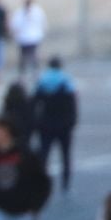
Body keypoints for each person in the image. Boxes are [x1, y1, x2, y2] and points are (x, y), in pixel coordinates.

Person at [31, 58, 78, 191]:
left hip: (46, 124)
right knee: (66, 155)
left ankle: (40, 181)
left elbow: (34, 103)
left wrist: (35, 123)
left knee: (44, 154)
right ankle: (65, 182)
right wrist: (72, 121)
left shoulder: (42, 81)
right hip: (64, 124)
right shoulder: (66, 81)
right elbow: (72, 105)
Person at [12, 0, 48, 76]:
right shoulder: (20, 12)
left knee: (34, 56)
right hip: (23, 38)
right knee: (23, 57)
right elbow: (15, 24)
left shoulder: (37, 11)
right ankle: (22, 73)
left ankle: (35, 72)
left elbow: (42, 22)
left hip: (33, 37)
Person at [0, 81, 35, 149]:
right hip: (24, 132)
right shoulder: (27, 103)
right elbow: (31, 119)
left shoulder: (8, 102)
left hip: (12, 131)